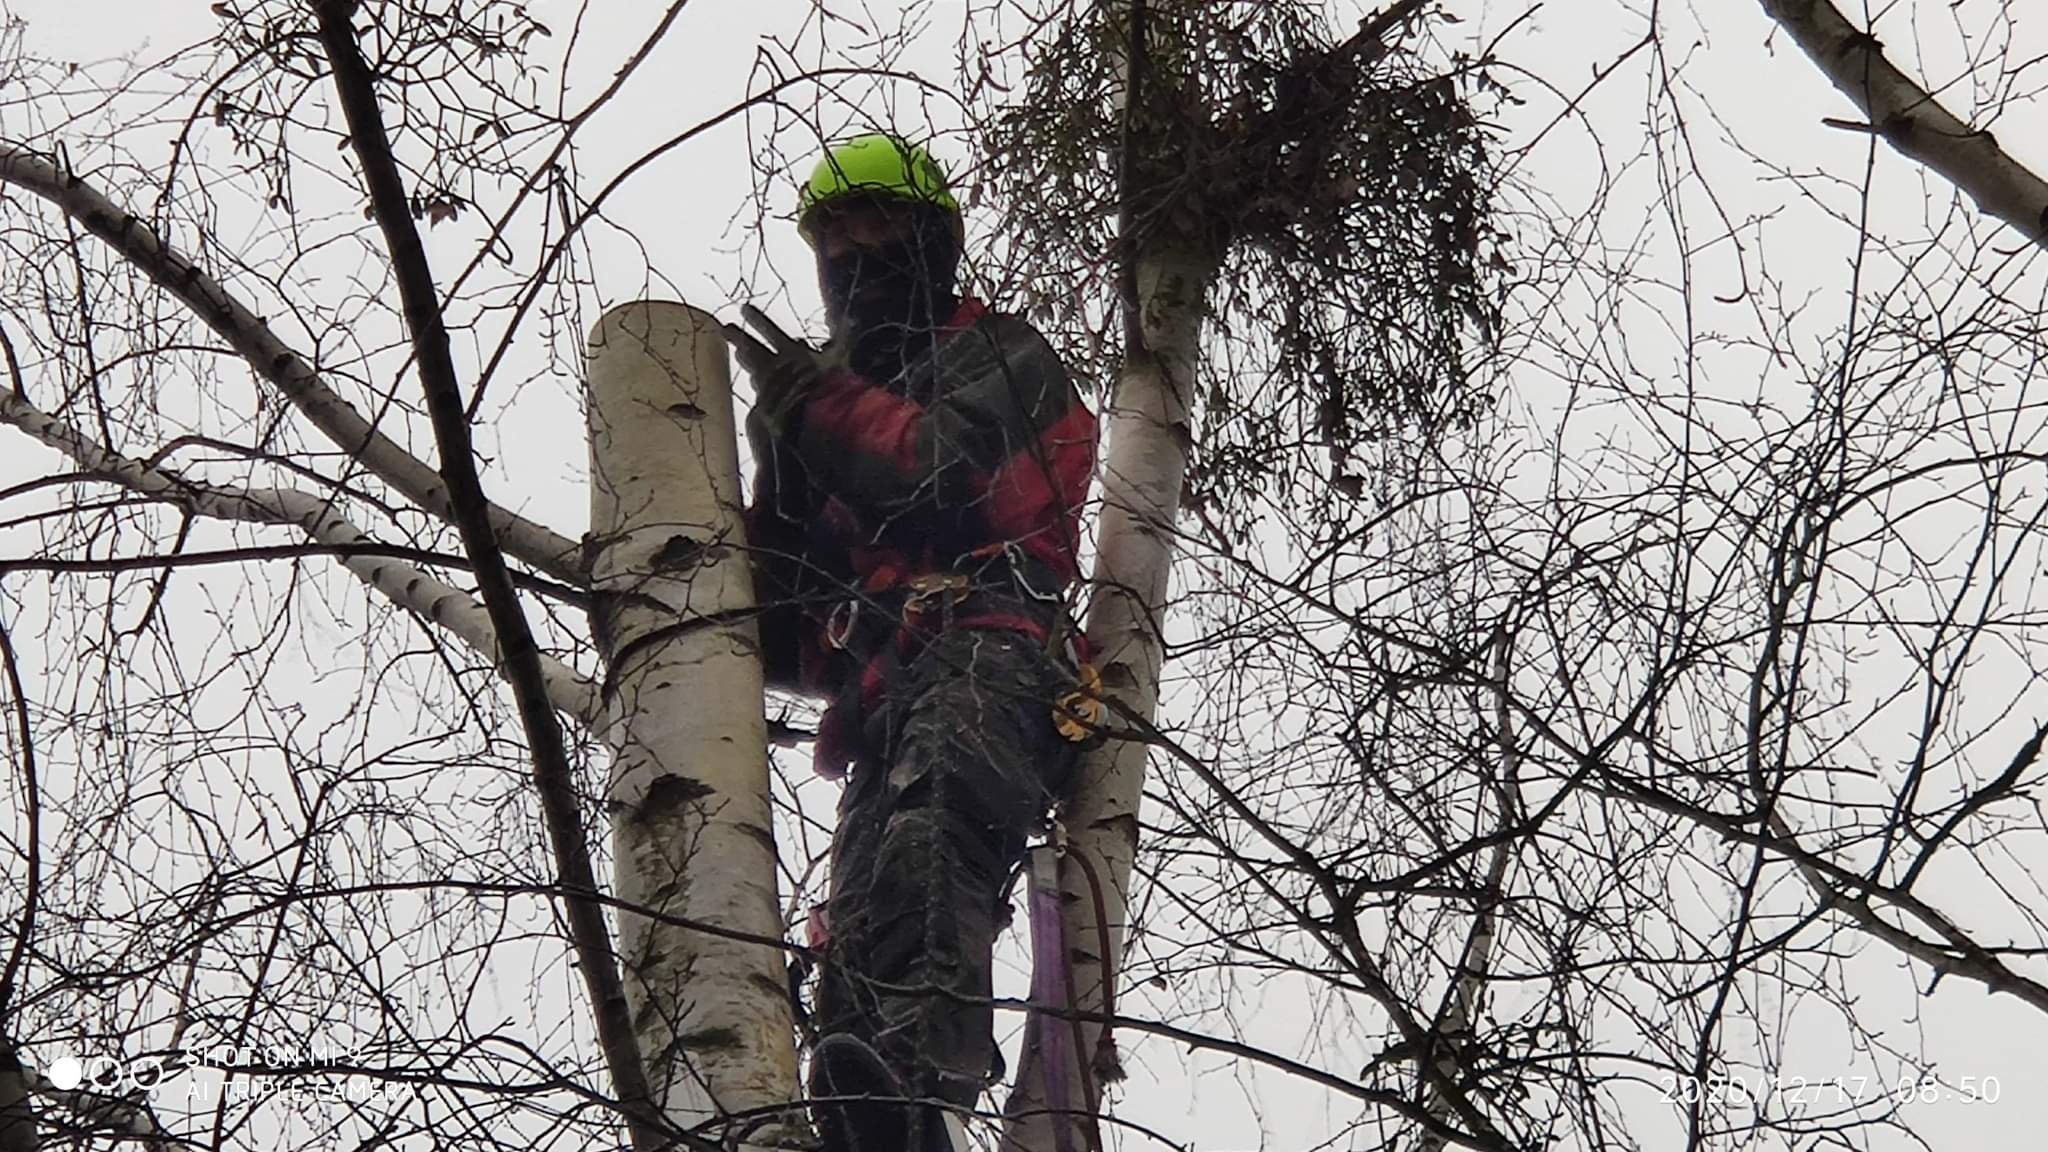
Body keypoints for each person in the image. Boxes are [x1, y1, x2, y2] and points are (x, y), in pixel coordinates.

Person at [734, 133, 1098, 1152]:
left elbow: (940, 475)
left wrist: (816, 411)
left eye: (879, 220)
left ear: (931, 236)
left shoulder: (1002, 354)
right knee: (854, 926)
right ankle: (867, 1119)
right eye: (835, 232)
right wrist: (714, 551)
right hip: (884, 690)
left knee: (932, 833)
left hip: (991, 644)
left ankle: (922, 1088)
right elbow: (788, 633)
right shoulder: (827, 409)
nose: (855, 249)